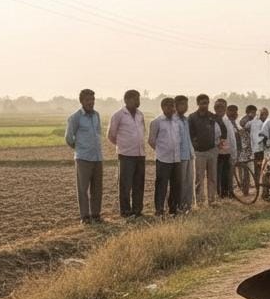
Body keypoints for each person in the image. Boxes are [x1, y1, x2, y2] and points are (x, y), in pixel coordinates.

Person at [65, 88, 103, 224]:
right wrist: (80, 149)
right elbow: (69, 138)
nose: (90, 102)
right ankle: (85, 217)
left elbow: (98, 133)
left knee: (97, 189)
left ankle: (96, 215)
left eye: (92, 99)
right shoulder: (75, 117)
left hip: (97, 157)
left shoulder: (96, 115)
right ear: (81, 101)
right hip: (83, 158)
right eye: (87, 100)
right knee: (83, 189)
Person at [107, 89, 146, 218]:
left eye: (138, 98)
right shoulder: (118, 115)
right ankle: (125, 211)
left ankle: (137, 210)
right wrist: (123, 146)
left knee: (139, 184)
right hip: (126, 155)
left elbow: (143, 132)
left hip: (140, 154)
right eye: (136, 98)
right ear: (127, 100)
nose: (138, 101)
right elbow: (111, 135)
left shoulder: (140, 115)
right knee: (125, 185)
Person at [147, 96, 185, 216]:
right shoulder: (156, 122)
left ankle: (173, 209)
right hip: (163, 159)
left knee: (176, 185)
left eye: (173, 106)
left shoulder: (176, 122)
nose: (171, 108)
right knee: (161, 185)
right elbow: (151, 141)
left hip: (176, 159)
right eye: (168, 106)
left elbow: (179, 139)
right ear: (162, 107)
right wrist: (161, 151)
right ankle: (159, 210)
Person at [188, 93, 226, 206]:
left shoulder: (212, 116)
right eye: (203, 103)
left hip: (212, 151)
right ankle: (199, 202)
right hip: (199, 152)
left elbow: (223, 128)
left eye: (207, 103)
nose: (205, 105)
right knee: (199, 178)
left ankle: (212, 200)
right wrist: (194, 145)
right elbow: (189, 134)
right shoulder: (192, 117)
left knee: (212, 177)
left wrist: (221, 141)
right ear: (198, 103)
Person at [174, 95, 194, 212]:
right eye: (182, 104)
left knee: (189, 182)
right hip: (179, 156)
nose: (185, 107)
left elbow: (188, 137)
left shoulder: (186, 120)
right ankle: (179, 206)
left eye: (186, 104)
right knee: (180, 183)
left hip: (189, 154)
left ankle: (188, 206)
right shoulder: (174, 120)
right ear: (176, 106)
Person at [218, 101, 238, 198]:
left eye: (236, 111)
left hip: (228, 153)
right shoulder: (221, 121)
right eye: (232, 111)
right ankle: (222, 194)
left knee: (227, 175)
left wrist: (233, 153)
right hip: (221, 153)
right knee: (221, 175)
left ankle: (227, 193)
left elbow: (232, 139)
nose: (235, 113)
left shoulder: (229, 122)